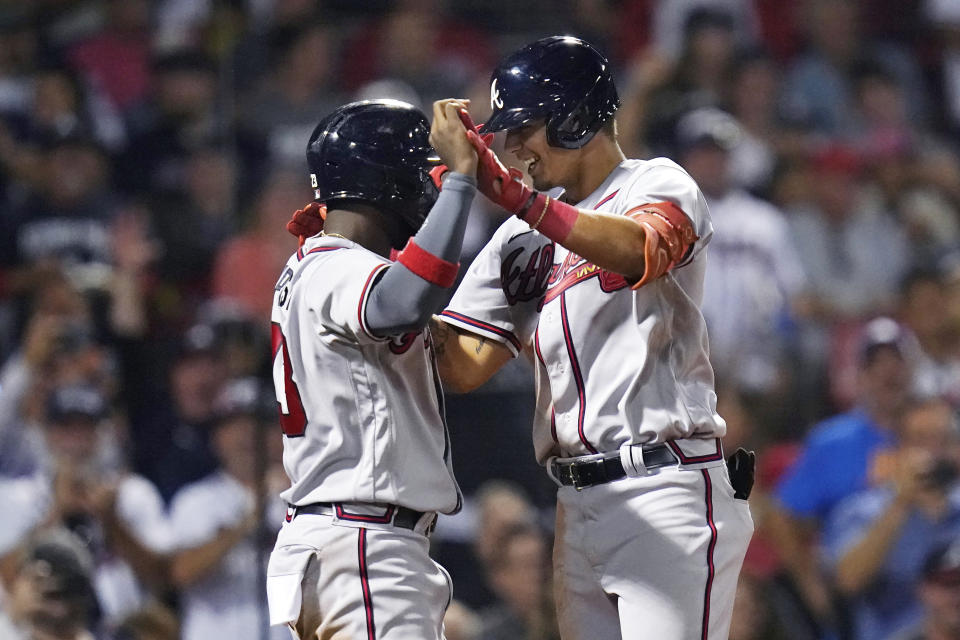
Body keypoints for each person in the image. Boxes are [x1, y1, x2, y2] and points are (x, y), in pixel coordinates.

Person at [431, 36, 754, 640]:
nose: (513, 147)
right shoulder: (519, 235)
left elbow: (641, 248)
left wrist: (517, 199)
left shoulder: (658, 182)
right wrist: (403, 269)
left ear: (575, 117)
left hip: (665, 486)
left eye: (524, 127)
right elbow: (463, 365)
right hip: (575, 503)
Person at [265, 98, 480, 639]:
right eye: (421, 170)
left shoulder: (311, 264)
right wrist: (461, 182)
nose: (428, 183)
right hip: (363, 541)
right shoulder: (337, 263)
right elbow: (404, 302)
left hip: (337, 538)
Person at [822, 397, 960, 640]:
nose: (935, 451)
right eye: (922, 440)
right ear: (899, 449)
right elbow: (846, 582)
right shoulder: (861, 510)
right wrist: (900, 504)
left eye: (943, 440)